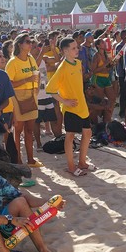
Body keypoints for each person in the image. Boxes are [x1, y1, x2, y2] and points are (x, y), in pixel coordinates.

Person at [46, 37, 93, 177]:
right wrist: (64, 101)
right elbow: (50, 89)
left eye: (76, 47)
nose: (77, 50)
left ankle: (82, 162)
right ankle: (71, 166)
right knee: (70, 136)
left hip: (82, 106)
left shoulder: (78, 63)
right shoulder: (62, 68)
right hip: (70, 108)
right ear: (65, 51)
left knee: (87, 133)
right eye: (73, 48)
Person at [5, 34, 41, 168]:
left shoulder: (31, 59)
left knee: (29, 130)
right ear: (19, 44)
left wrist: (36, 87)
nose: (30, 44)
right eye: (27, 42)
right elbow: (8, 84)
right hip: (17, 97)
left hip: (31, 95)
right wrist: (27, 80)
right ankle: (18, 159)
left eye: (31, 41)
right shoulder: (13, 62)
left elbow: (36, 75)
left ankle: (31, 159)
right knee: (18, 130)